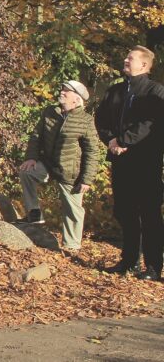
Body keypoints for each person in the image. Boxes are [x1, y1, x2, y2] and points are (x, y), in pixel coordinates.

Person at [95, 45, 164, 279]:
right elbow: (100, 118)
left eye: (130, 58)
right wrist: (112, 140)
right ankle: (129, 261)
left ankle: (154, 267)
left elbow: (150, 123)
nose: (125, 60)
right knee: (125, 212)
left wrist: (125, 140)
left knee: (150, 215)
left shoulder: (155, 91)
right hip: (120, 161)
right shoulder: (114, 91)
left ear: (144, 65)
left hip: (146, 163)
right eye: (126, 56)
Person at [18, 80, 100, 250]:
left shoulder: (86, 121)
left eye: (67, 91)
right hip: (47, 164)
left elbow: (92, 152)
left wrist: (86, 179)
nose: (62, 92)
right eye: (62, 89)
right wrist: (31, 157)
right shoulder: (50, 111)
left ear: (76, 100)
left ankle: (72, 247)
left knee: (73, 210)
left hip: (71, 172)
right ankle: (34, 214)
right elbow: (36, 136)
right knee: (27, 172)